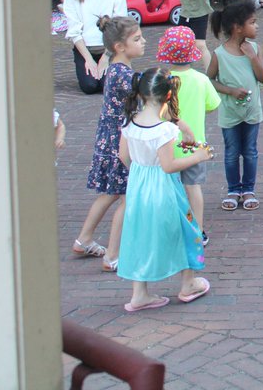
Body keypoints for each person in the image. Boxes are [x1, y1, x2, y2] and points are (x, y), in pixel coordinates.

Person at [116, 67, 212, 311]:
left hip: (138, 189)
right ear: (168, 96)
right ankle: (188, 283)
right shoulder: (164, 129)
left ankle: (139, 293)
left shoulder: (129, 122)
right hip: (164, 191)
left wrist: (142, 168)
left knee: (141, 235)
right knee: (188, 230)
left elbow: (123, 156)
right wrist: (199, 156)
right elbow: (169, 166)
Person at [71, 16, 145, 272]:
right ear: (119, 47)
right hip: (120, 145)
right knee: (128, 197)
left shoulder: (114, 69)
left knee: (110, 194)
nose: (143, 41)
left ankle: (85, 238)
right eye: (137, 39)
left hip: (108, 141)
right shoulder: (126, 76)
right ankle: (112, 256)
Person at [157, 26, 219, 248]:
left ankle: (171, 229)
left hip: (166, 145)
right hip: (194, 147)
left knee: (169, 189)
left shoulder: (163, 80)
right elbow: (213, 105)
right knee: (193, 188)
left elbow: (158, 110)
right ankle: (198, 230)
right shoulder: (201, 79)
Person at [207, 0, 263, 212]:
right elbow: (210, 80)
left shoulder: (254, 48)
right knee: (232, 152)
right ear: (237, 28)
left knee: (250, 151)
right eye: (252, 22)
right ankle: (234, 189)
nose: (257, 26)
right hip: (230, 113)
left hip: (251, 112)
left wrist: (253, 58)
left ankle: (248, 189)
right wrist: (230, 91)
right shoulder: (219, 54)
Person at [63, 0, 128, 94]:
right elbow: (74, 31)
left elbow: (119, 26)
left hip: (111, 48)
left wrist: (106, 56)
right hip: (86, 48)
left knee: (108, 86)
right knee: (89, 87)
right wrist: (88, 59)